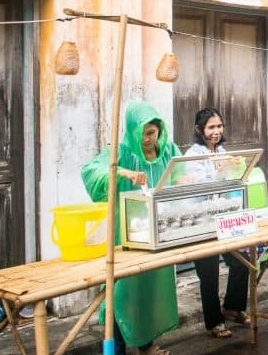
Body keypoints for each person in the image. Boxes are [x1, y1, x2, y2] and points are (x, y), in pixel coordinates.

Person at [81, 101, 179, 355]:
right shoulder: (122, 151)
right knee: (121, 292)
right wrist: (123, 172)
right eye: (142, 133)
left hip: (159, 234)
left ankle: (145, 344)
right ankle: (120, 349)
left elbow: (181, 172)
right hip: (125, 235)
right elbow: (92, 171)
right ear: (131, 131)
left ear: (159, 130)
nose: (147, 139)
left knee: (148, 291)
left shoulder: (168, 151)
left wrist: (185, 177)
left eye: (151, 132)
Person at [183, 108, 251, 338]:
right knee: (209, 272)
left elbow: (230, 182)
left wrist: (234, 166)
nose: (216, 131)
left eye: (219, 126)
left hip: (223, 218)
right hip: (200, 220)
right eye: (211, 127)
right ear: (199, 130)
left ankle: (232, 308)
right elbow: (199, 186)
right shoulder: (193, 155)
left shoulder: (221, 150)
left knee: (242, 261)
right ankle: (214, 322)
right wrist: (221, 171)